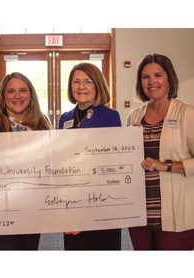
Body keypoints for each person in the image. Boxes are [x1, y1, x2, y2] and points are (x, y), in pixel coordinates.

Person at [0, 72, 52, 250]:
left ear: (31, 94)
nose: (17, 96)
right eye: (10, 91)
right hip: (0, 208)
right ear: (3, 96)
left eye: (23, 90)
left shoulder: (42, 122)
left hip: (33, 206)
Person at [126, 53, 194, 250]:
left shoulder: (187, 114)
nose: (151, 81)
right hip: (139, 211)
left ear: (169, 79)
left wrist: (165, 165)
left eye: (158, 75)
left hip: (176, 212)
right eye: (145, 77)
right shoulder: (134, 116)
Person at [59, 62, 122, 250]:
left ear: (98, 85)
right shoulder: (65, 118)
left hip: (100, 204)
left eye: (88, 81)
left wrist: (84, 217)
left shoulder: (110, 117)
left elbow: (106, 169)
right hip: (70, 200)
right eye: (76, 81)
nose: (81, 86)